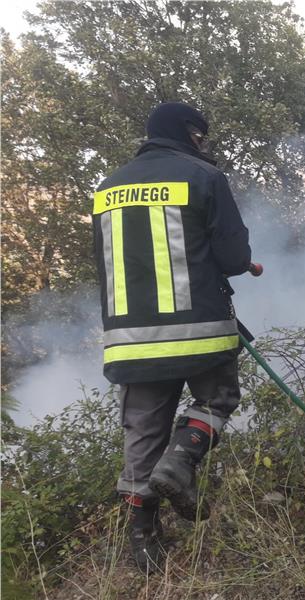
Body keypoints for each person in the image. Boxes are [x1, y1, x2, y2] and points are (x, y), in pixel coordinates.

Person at [91, 102, 252, 573]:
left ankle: (143, 544)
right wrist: (243, 264)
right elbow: (233, 257)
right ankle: (180, 462)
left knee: (142, 434)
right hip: (198, 329)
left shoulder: (106, 188)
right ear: (184, 132)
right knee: (218, 398)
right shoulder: (203, 177)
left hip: (131, 338)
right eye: (199, 134)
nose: (202, 143)